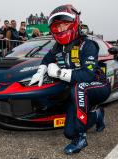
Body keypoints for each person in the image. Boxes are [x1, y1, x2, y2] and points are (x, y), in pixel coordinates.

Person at [29, 4, 111, 154]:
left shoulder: (88, 45)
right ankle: (97, 114)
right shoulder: (57, 47)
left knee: (79, 87)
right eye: (57, 27)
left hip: (99, 85)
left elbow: (87, 75)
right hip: (77, 91)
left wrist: (59, 73)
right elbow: (46, 60)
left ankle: (81, 138)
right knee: (68, 132)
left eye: (64, 25)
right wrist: (40, 71)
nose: (61, 30)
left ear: (75, 23)